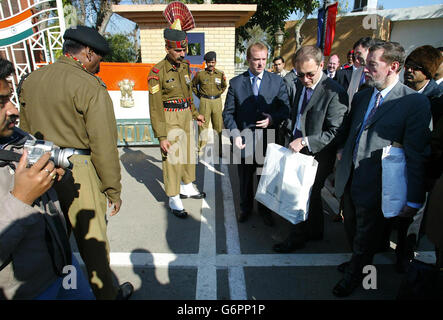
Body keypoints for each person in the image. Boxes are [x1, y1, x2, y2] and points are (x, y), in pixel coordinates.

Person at [18, 26, 133, 300]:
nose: (99, 65)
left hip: (38, 168)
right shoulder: (89, 86)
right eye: (99, 59)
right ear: (88, 53)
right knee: (93, 247)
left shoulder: (31, 80)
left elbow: (22, 132)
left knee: (51, 246)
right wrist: (112, 190)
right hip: (77, 170)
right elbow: (103, 145)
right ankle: (106, 296)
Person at [333, 41, 431, 297]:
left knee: (366, 234)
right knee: (352, 227)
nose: (365, 69)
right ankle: (358, 259)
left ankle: (356, 275)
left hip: (379, 185)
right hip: (350, 178)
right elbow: (349, 131)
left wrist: (414, 198)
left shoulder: (414, 103)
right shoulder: (363, 95)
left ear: (393, 67)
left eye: (371, 65)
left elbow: (417, 155)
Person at [0, 58, 94, 300]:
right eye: (1, 103)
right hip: (25, 289)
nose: (13, 110)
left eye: (10, 98)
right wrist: (21, 198)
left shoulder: (18, 138)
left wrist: (51, 178)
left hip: (62, 264)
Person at [273, 45, 348, 253]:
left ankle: (295, 238)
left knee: (300, 194)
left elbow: (336, 132)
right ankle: (315, 230)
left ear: (322, 65)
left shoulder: (334, 92)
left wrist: (305, 141)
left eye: (310, 74)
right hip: (297, 148)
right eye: (300, 75)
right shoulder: (301, 85)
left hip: (317, 154)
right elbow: (298, 115)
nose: (305, 79)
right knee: (313, 195)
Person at [223, 42, 290, 225]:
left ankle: (264, 210)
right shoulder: (236, 84)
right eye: (256, 60)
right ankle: (245, 209)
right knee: (244, 179)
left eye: (263, 59)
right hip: (243, 140)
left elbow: (286, 109)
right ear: (247, 59)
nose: (260, 64)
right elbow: (228, 114)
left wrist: (272, 119)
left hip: (268, 140)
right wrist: (235, 134)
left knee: (265, 177)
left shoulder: (277, 81)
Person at [148, 9, 206, 219]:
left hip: (185, 116)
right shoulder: (157, 72)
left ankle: (187, 185)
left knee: (189, 152)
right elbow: (155, 107)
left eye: (184, 49)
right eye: (178, 51)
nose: (183, 54)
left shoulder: (185, 66)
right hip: (169, 117)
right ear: (167, 48)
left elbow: (188, 93)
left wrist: (195, 113)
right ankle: (173, 197)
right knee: (173, 157)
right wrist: (161, 136)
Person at [192, 51, 227, 154]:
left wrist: (218, 93)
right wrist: (200, 96)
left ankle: (219, 150)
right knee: (203, 126)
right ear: (206, 63)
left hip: (217, 101)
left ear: (215, 62)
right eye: (209, 62)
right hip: (205, 101)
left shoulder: (220, 74)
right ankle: (201, 149)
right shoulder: (200, 74)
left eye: (213, 62)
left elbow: (224, 86)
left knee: (218, 126)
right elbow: (193, 85)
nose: (211, 64)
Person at [335, 37, 381, 105]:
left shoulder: (379, 75)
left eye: (359, 54)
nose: (356, 60)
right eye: (355, 55)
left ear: (369, 51)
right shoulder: (356, 73)